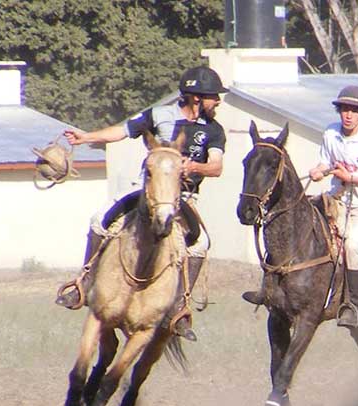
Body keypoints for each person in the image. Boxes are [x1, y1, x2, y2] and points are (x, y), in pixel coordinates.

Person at [55, 66, 228, 338]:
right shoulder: (160, 115)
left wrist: (193, 167)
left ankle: (179, 309)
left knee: (201, 243)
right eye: (213, 97)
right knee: (99, 219)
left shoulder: (214, 130)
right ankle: (83, 284)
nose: (218, 101)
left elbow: (216, 167)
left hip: (182, 198)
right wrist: (86, 137)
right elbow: (122, 131)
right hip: (145, 190)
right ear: (196, 98)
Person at [242, 85, 358, 329]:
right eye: (344, 109)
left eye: (354, 111)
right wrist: (320, 169)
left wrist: (352, 178)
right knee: (293, 223)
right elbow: (326, 161)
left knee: (352, 243)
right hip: (336, 198)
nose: (348, 115)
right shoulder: (331, 132)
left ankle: (351, 305)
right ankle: (268, 289)